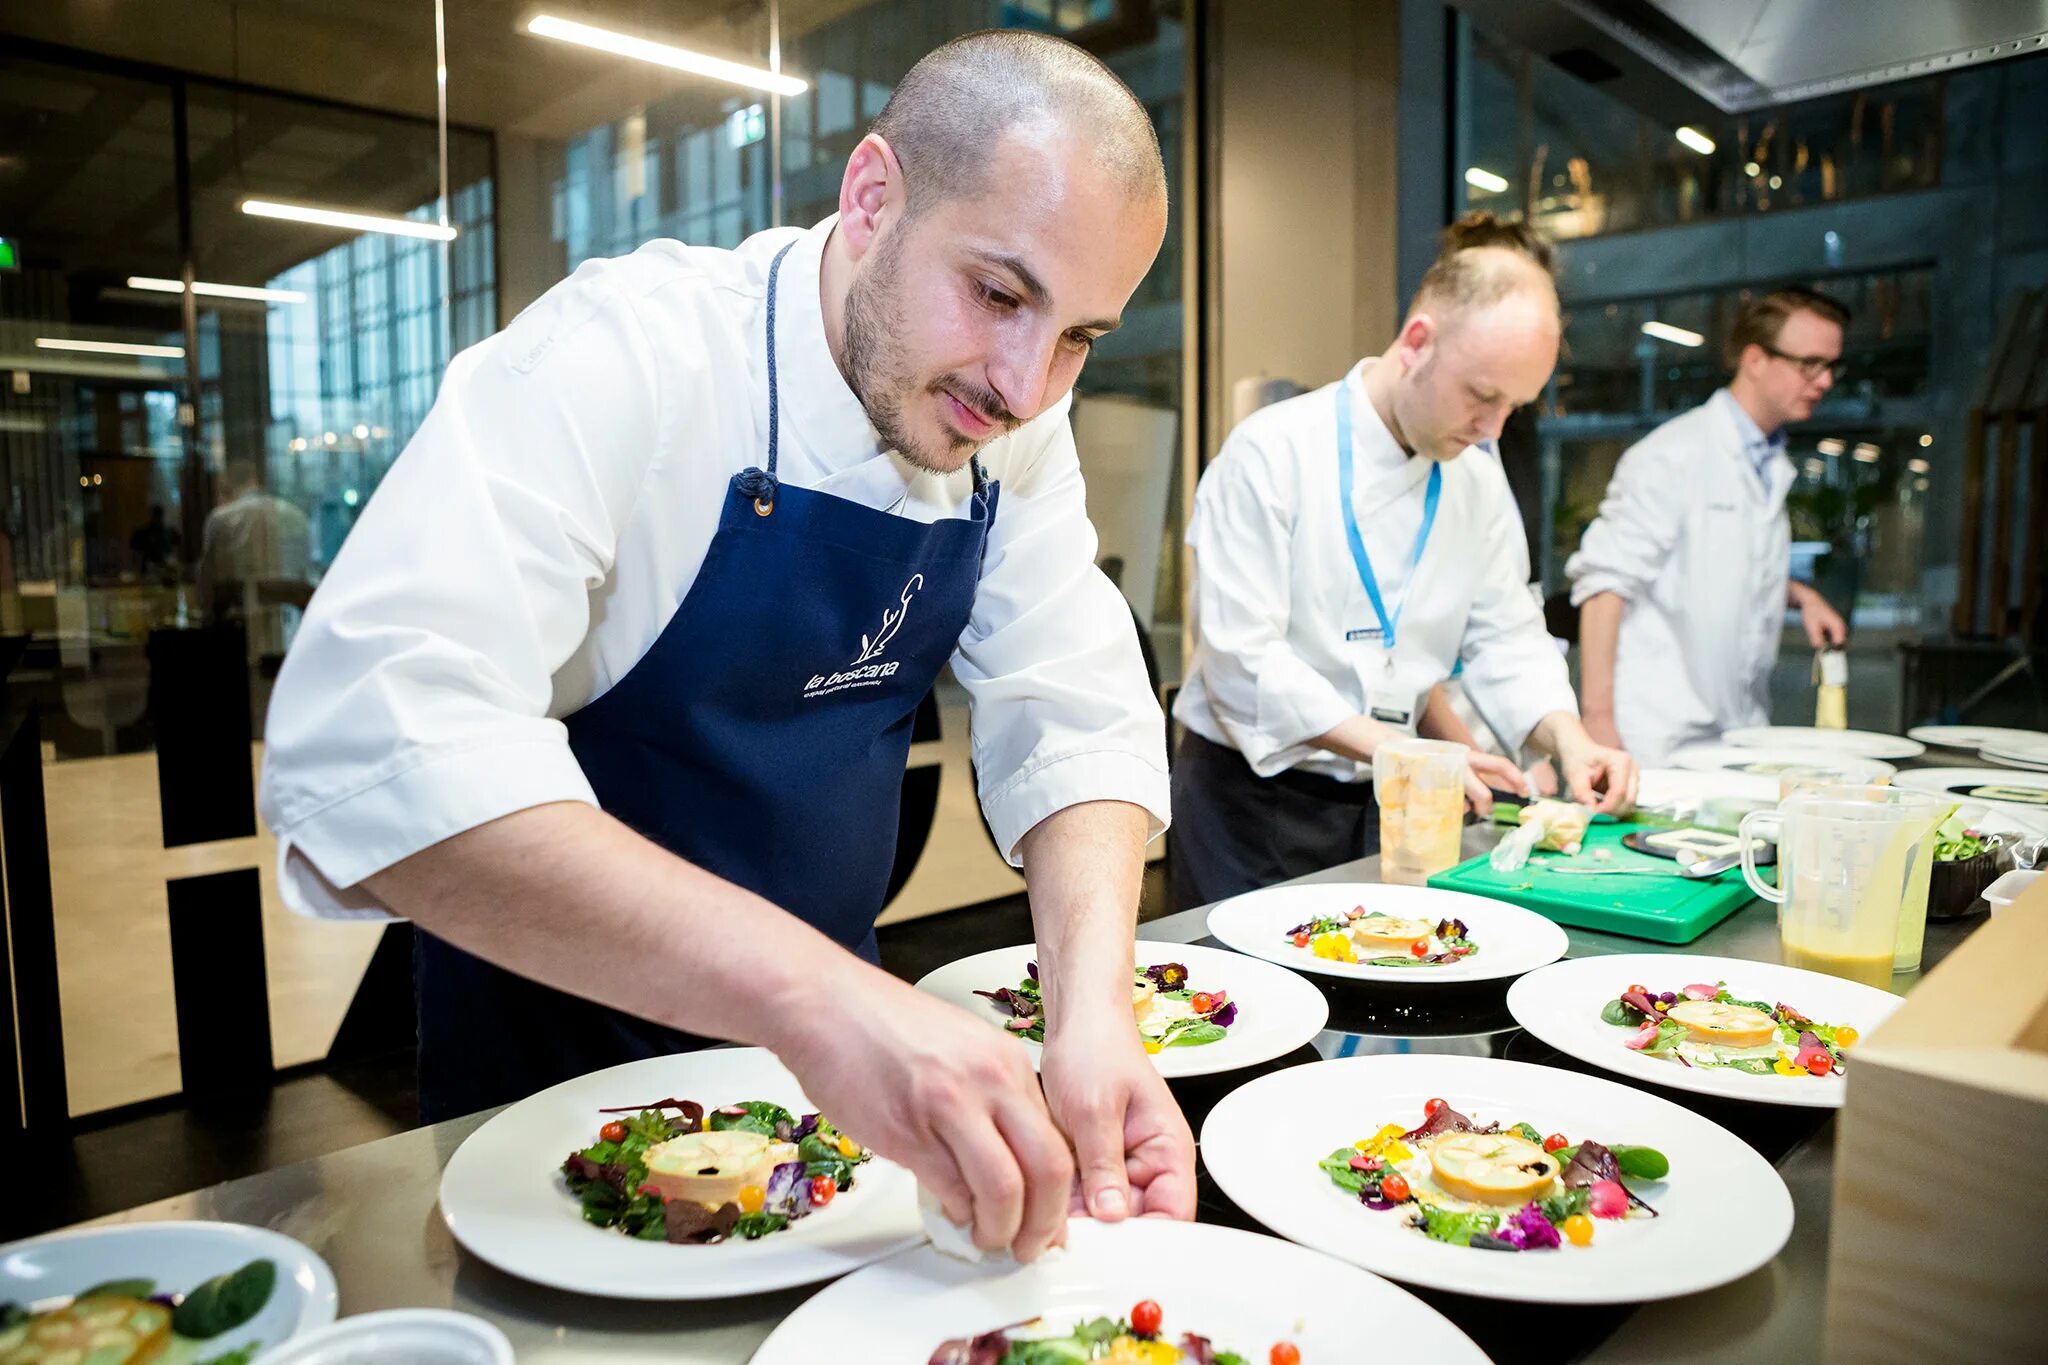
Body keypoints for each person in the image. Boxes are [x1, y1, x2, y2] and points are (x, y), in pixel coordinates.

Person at [258, 31, 1188, 1264]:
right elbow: (373, 746)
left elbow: (1070, 708)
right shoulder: (624, 351)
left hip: (834, 1108)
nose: (1024, 384)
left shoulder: (1007, 419)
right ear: (870, 199)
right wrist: (825, 1003)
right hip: (544, 1101)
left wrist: (1091, 1014)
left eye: (1079, 336)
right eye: (999, 295)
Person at [1170, 214, 1637, 910]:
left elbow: (1505, 636)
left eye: (1514, 406)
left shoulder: (1473, 481)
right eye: (1482, 395)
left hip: (1393, 803)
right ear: (1416, 342)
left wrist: (1569, 739)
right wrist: (1398, 748)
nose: (1493, 428)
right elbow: (1243, 661)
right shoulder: (1273, 451)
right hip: (1252, 803)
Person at [1568, 288, 1851, 764]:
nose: (1823, 381)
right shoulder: (1672, 456)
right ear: (1756, 359)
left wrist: (1801, 595)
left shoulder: (1768, 461)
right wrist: (1597, 725)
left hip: (1739, 735)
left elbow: (1716, 564)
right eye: (1809, 364)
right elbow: (1604, 586)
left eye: (1831, 366)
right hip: (1659, 741)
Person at [197, 459, 312, 659]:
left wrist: (207, 617)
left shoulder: (221, 518)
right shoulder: (295, 514)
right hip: (290, 626)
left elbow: (207, 576)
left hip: (238, 628)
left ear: (228, 484)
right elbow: (304, 572)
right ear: (256, 480)